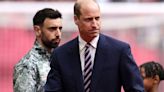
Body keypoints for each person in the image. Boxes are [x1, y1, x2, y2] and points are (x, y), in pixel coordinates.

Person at [44, 0, 144, 92]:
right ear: (76, 19)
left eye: (97, 18)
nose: (95, 24)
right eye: (88, 19)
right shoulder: (60, 54)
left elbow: (136, 89)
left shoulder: (119, 51)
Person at [13, 8, 62, 92]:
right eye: (52, 29)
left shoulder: (61, 59)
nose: (58, 34)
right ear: (37, 30)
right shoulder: (27, 65)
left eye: (60, 28)